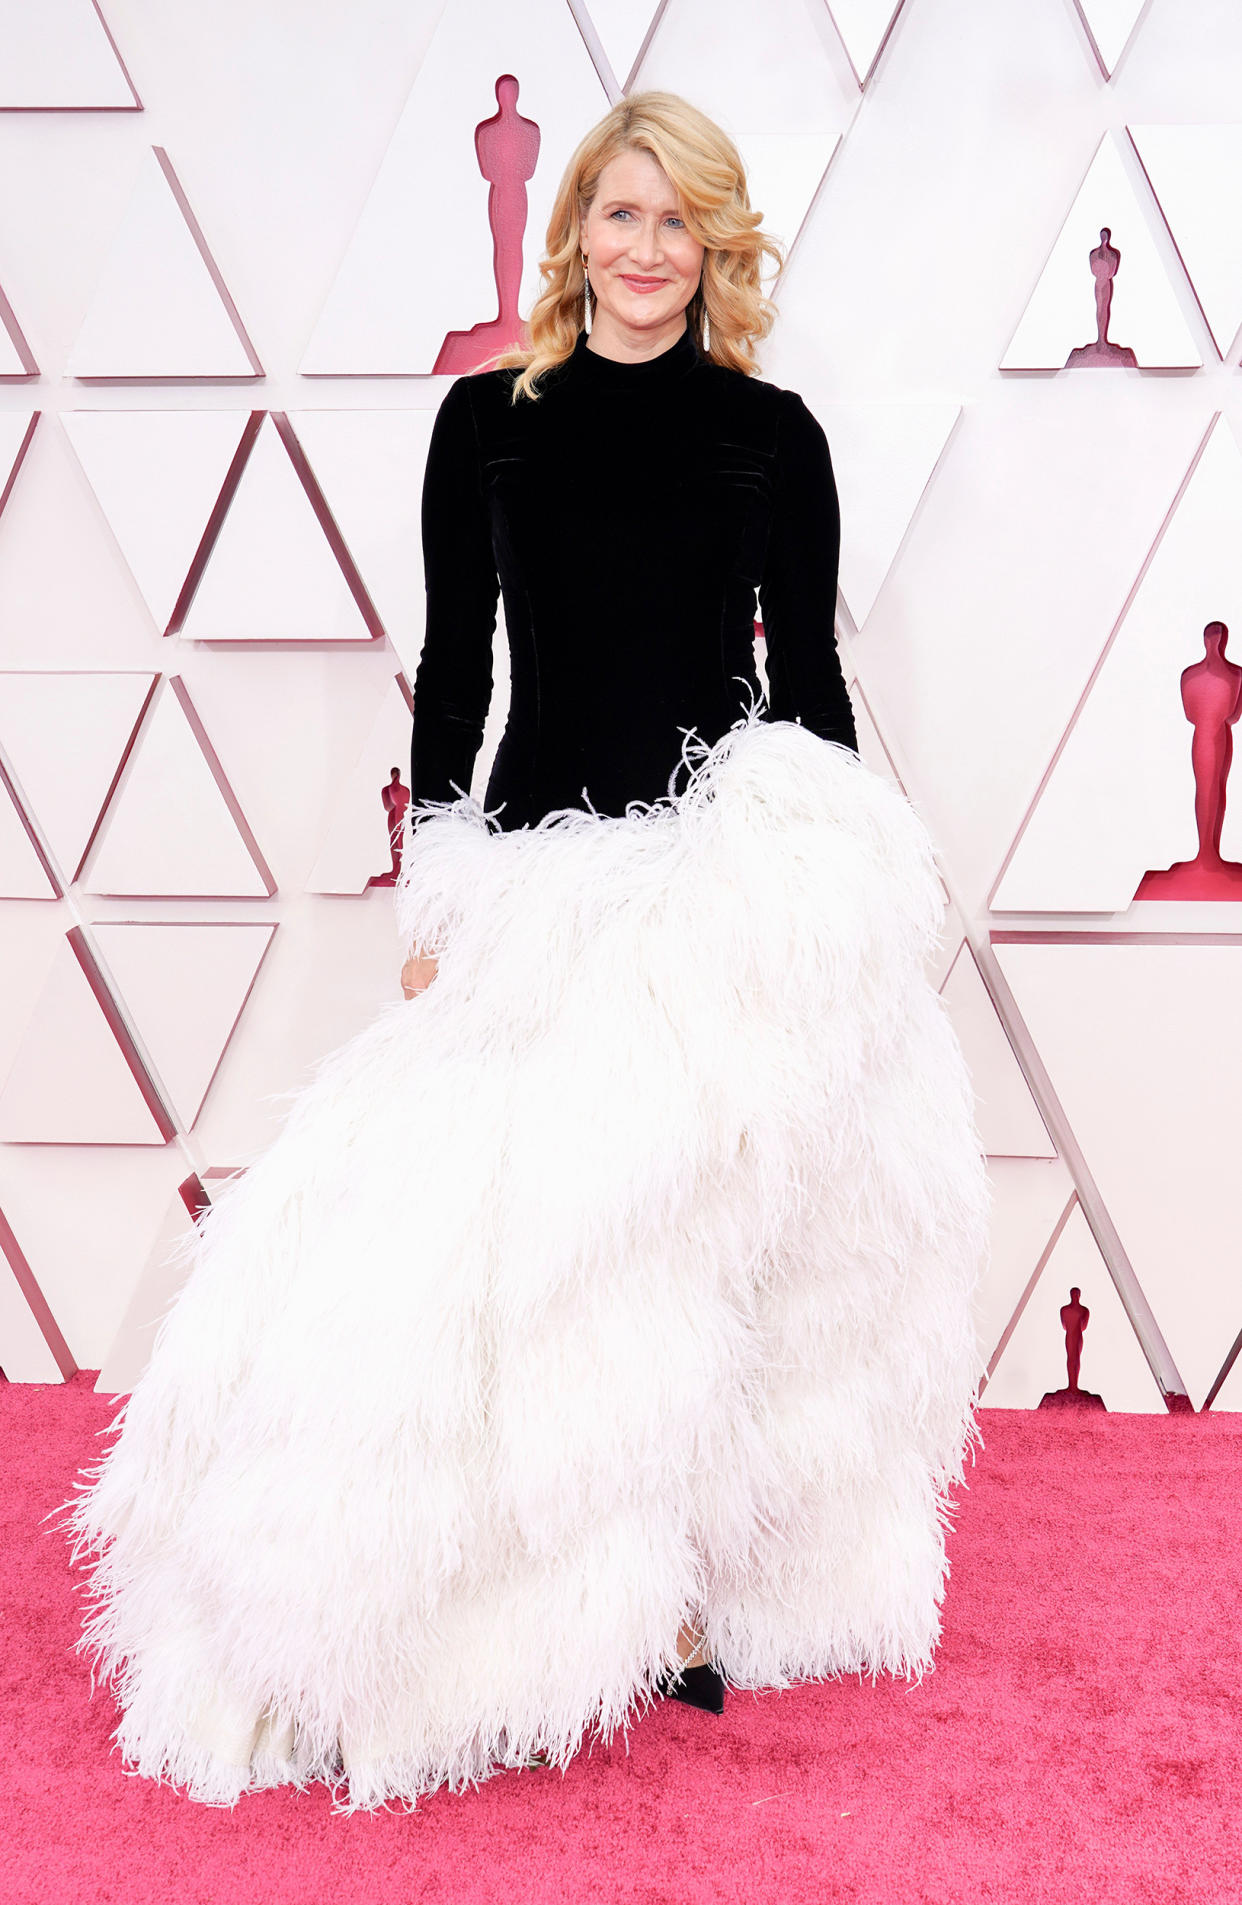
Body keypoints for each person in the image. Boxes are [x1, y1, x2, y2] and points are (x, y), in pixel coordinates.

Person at [61, 91, 990, 1814]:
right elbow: (454, 673)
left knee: (714, 1263)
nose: (646, 251)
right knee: (529, 1272)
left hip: (717, 893)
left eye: (677, 222)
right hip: (541, 894)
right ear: (573, 231)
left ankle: (694, 1594)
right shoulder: (483, 423)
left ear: (716, 245)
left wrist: (845, 903)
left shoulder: (772, 438)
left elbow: (811, 703)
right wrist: (441, 890)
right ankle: (524, 1604)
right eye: (619, 216)